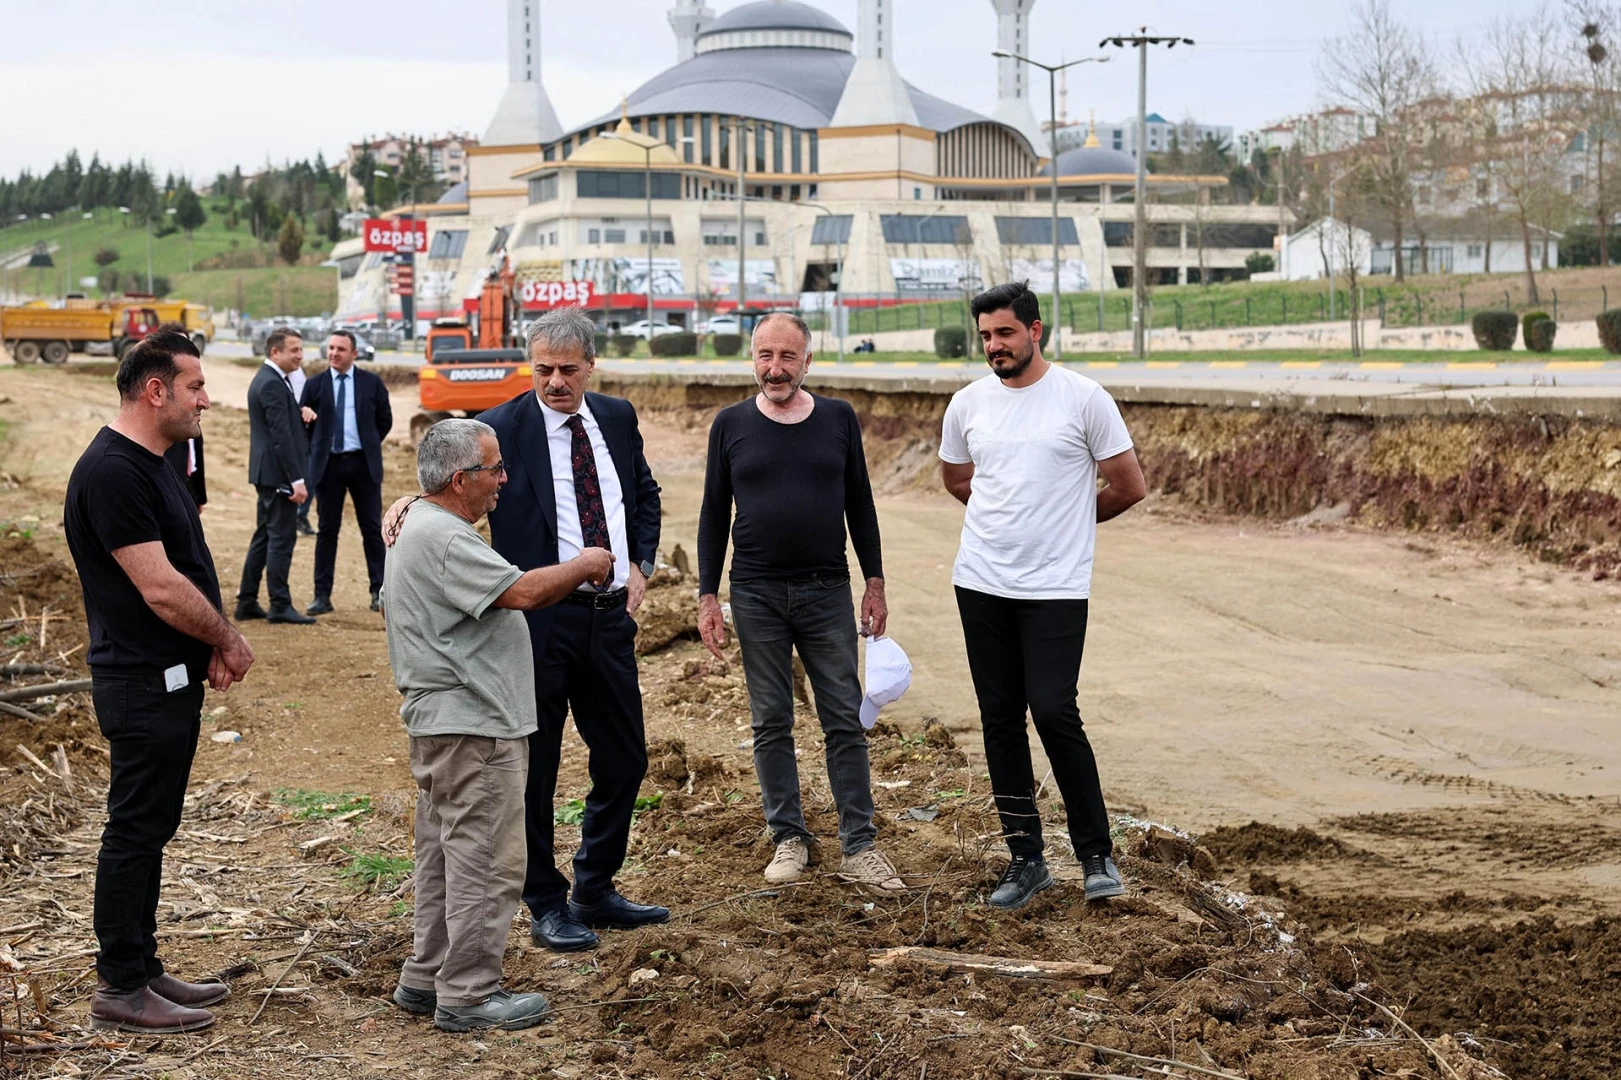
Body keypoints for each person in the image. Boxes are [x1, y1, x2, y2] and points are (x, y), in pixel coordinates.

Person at [393, 308, 666, 952]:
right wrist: (401, 502)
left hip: (608, 618)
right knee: (534, 770)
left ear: (591, 366)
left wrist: (641, 565)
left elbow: (645, 495)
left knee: (625, 759)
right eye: (542, 369)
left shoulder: (618, 418)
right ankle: (545, 900)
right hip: (535, 622)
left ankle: (594, 886)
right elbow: (441, 486)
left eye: (568, 370)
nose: (554, 383)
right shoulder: (500, 428)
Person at [383, 419, 614, 1033]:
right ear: (460, 480)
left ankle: (427, 976)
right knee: (485, 861)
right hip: (472, 725)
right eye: (495, 470)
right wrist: (585, 562)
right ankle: (468, 993)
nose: (503, 481)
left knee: (444, 858)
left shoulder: (424, 525)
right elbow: (525, 593)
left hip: (445, 723)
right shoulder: (446, 539)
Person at [62, 329, 257, 1033]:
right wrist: (226, 637)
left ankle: (142, 968)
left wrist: (206, 642)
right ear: (156, 390)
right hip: (140, 682)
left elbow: (184, 567)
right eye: (196, 387)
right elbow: (161, 588)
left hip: (166, 676)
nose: (206, 399)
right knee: (136, 831)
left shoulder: (154, 461)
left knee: (151, 827)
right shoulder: (114, 471)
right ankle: (120, 986)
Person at [939, 281, 1147, 910]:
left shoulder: (1083, 398)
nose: (994, 346)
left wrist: (1069, 524)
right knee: (1000, 721)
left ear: (1036, 331)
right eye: (985, 337)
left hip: (1055, 587)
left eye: (1004, 333)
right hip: (980, 581)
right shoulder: (968, 403)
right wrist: (1003, 520)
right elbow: (956, 477)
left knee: (1055, 710)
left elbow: (1128, 485)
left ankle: (1095, 854)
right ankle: (1025, 861)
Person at [697, 312, 904, 891]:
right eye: (765, 356)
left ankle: (859, 845)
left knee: (843, 716)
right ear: (753, 360)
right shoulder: (730, 424)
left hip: (826, 590)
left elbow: (860, 503)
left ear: (808, 361)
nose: (775, 368)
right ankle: (789, 837)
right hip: (757, 593)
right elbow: (715, 513)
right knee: (771, 720)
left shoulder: (837, 418)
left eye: (787, 357)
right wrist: (707, 595)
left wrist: (876, 580)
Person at [300, 330, 392, 615]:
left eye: (341, 349)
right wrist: (306, 418)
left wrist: (368, 443)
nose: (334, 353)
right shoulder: (314, 385)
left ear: (354, 353)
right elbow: (304, 421)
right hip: (328, 467)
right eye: (330, 348)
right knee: (327, 531)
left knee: (371, 530)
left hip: (363, 465)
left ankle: (379, 592)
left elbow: (384, 420)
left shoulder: (371, 383)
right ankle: (321, 596)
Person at [235, 328, 315, 624]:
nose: (300, 355)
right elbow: (280, 436)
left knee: (265, 535)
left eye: (301, 349)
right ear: (275, 352)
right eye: (294, 350)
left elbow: (283, 423)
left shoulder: (272, 380)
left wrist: (301, 413)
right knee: (281, 538)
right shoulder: (271, 383)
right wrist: (296, 480)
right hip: (279, 474)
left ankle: (246, 601)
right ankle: (279, 604)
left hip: (267, 472)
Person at [289, 356, 315, 538]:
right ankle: (296, 517)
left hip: (304, 433)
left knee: (310, 479)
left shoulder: (297, 373)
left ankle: (301, 515)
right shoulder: (276, 377)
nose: (299, 355)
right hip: (291, 435)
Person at [162, 432, 207, 510]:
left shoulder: (193, 426)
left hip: (190, 487)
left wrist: (200, 498)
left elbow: (198, 460)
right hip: (171, 490)